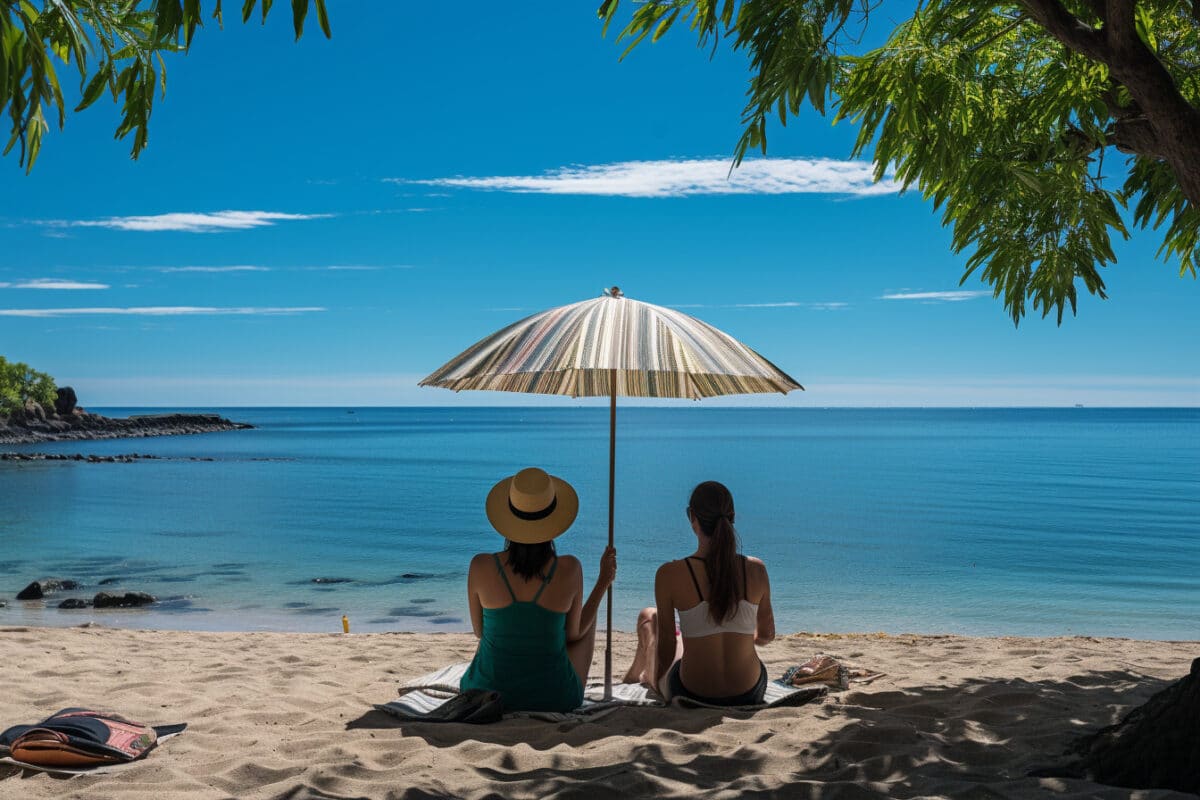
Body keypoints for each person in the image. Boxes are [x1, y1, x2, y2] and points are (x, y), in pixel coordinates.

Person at [460, 467, 617, 712]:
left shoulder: (480, 566)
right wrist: (603, 583)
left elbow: (480, 632)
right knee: (584, 619)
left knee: (498, 631)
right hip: (554, 697)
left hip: (486, 693)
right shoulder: (570, 568)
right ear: (554, 520)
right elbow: (574, 635)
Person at [623, 480, 775, 705]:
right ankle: (638, 676)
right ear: (732, 517)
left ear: (692, 518)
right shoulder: (756, 570)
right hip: (749, 691)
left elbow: (666, 648)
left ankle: (638, 677)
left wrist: (658, 680)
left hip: (692, 691)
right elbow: (766, 636)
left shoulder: (670, 574)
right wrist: (739, 635)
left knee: (648, 617)